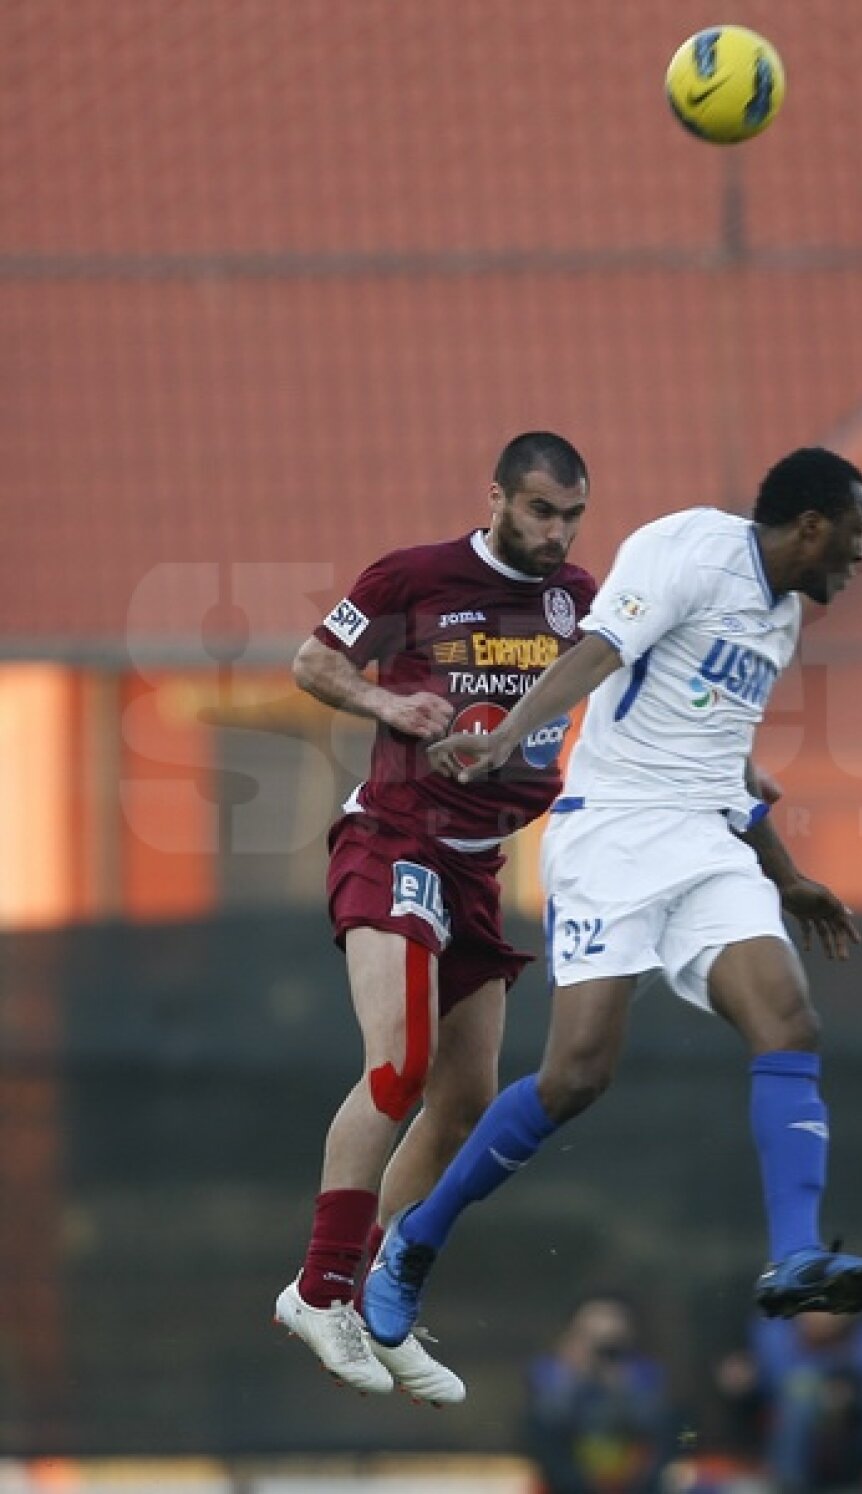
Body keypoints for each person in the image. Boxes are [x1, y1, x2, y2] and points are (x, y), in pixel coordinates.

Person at [361, 445, 862, 1356]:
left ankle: (796, 1257)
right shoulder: (689, 548)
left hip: (704, 845)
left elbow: (721, 756)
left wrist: (784, 873)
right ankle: (412, 1242)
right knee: (577, 1076)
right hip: (611, 833)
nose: (855, 559)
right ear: (811, 527)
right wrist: (504, 742)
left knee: (790, 1024)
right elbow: (600, 651)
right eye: (851, 540)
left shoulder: (781, 620)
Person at [275, 431, 595, 1400]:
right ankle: (317, 1291)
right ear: (495, 497)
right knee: (397, 1063)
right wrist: (387, 702)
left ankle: (375, 1291)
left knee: (464, 1098)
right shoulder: (414, 576)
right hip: (395, 844)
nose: (557, 533)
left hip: (477, 872)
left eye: (573, 515)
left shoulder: (575, 598)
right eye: (541, 510)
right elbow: (309, 661)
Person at [717, 1310, 862, 1493]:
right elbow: (763, 1383)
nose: (821, 1317)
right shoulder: (773, 1337)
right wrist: (744, 1382)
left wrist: (842, 1384)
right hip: (791, 1440)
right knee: (799, 1400)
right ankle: (788, 1484)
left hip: (857, 1441)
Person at [524, 1292, 678, 1494]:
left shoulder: (644, 1374)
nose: (601, 1353)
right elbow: (544, 1433)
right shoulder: (551, 1373)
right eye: (591, 1338)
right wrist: (572, 1378)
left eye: (611, 1344)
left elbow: (662, 1435)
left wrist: (621, 1386)